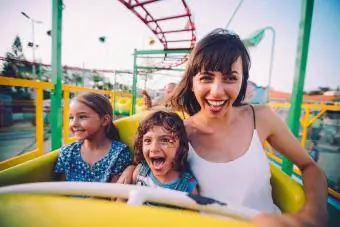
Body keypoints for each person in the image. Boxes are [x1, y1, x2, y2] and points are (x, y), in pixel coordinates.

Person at [166, 28, 327, 226]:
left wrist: (312, 215)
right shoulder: (180, 134)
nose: (216, 91)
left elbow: (310, 167)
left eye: (230, 78)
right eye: (206, 78)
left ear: (242, 82)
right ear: (192, 83)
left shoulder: (261, 118)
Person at [54, 93, 133, 183]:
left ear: (104, 120)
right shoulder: (67, 153)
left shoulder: (119, 153)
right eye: (71, 118)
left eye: (82, 117)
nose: (74, 123)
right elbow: (61, 190)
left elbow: (113, 194)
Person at [132, 111, 198, 194]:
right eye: (148, 140)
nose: (154, 148)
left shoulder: (188, 186)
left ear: (181, 146)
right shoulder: (140, 172)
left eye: (165, 140)